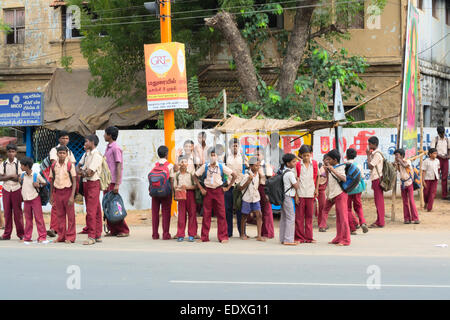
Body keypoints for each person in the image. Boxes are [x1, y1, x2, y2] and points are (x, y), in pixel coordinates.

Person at [194, 148, 236, 243]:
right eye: (211, 155)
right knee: (206, 214)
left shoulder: (221, 166)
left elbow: (234, 175)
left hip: (219, 191)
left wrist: (228, 187)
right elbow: (195, 176)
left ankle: (223, 237)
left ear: (217, 157)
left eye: (214, 155)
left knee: (221, 214)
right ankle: (204, 237)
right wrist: (201, 188)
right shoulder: (205, 166)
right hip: (208, 191)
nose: (213, 157)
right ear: (208, 156)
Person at [47, 131, 77, 238]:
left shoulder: (69, 152)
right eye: (63, 138)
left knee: (70, 214)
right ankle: (58, 232)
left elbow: (73, 164)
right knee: (58, 212)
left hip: (67, 187)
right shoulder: (54, 150)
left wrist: (72, 195)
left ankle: (70, 235)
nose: (65, 140)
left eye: (67, 138)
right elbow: (53, 164)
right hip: (57, 186)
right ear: (59, 139)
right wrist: (51, 194)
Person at [103, 126, 130, 237]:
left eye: (105, 134)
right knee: (108, 206)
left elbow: (119, 165)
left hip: (113, 181)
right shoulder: (108, 147)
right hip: (107, 181)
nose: (104, 135)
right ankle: (113, 230)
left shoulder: (115, 148)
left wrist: (117, 184)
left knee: (114, 206)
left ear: (109, 135)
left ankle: (123, 229)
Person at [77, 134, 103, 245]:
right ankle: (97, 234)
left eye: (86, 141)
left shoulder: (96, 155)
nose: (85, 144)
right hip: (87, 183)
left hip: (93, 183)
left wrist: (83, 171)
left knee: (91, 210)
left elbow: (89, 172)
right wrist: (83, 171)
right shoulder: (86, 154)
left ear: (92, 142)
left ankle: (92, 236)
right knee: (95, 209)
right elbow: (78, 167)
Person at [322, 149, 351, 246]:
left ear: (335, 160)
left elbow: (343, 178)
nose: (328, 161)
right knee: (339, 218)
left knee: (343, 217)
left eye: (329, 159)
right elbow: (330, 181)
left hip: (340, 194)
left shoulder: (340, 167)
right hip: (334, 194)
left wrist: (333, 170)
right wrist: (328, 170)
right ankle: (339, 237)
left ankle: (346, 239)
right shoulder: (332, 167)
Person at [19, 157, 49, 244]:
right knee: (28, 219)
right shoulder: (22, 175)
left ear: (27, 166)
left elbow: (45, 182)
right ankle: (27, 237)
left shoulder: (36, 175)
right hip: (26, 200)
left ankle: (42, 236)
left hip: (35, 199)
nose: (21, 167)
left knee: (39, 219)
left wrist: (38, 185)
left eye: (22, 165)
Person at [294, 145, 319, 244]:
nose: (306, 158)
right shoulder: (297, 165)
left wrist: (316, 189)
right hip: (300, 193)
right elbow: (295, 180)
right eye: (304, 156)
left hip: (310, 193)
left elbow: (318, 177)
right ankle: (299, 237)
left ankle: (309, 237)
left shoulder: (315, 164)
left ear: (311, 155)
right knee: (299, 217)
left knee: (309, 216)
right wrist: (296, 195)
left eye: (308, 155)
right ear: (301, 155)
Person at [150, 145, 174, 240]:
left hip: (154, 192)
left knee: (155, 213)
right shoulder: (170, 165)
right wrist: (172, 192)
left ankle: (155, 234)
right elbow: (171, 180)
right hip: (165, 192)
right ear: (167, 154)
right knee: (166, 212)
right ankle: (165, 234)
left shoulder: (154, 165)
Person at [0, 144, 24, 241]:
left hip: (16, 189)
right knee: (7, 213)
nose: (11, 153)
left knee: (18, 213)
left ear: (16, 153)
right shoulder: (3, 164)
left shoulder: (18, 163)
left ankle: (21, 234)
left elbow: (20, 179)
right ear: (7, 152)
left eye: (13, 151)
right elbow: (0, 178)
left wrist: (7, 176)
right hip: (6, 189)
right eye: (9, 151)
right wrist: (11, 176)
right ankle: (6, 234)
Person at [225, 138, 247, 237]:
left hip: (239, 186)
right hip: (229, 185)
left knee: (240, 209)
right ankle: (228, 232)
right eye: (233, 145)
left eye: (236, 145)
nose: (235, 147)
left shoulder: (242, 156)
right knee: (228, 209)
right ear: (230, 147)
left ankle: (242, 232)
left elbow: (247, 168)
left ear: (239, 146)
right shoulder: (225, 156)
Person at [239, 157, 264, 241]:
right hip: (247, 198)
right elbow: (241, 188)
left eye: (259, 166)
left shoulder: (258, 175)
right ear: (251, 166)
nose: (258, 167)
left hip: (255, 198)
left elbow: (257, 185)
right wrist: (248, 181)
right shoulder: (246, 175)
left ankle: (259, 235)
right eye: (256, 166)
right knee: (244, 216)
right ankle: (242, 234)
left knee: (259, 215)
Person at [174, 156, 197, 242]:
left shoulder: (191, 174)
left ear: (187, 164)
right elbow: (174, 186)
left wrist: (187, 187)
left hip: (190, 195)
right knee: (181, 216)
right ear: (179, 164)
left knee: (192, 214)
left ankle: (192, 234)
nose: (183, 164)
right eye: (181, 162)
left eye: (185, 162)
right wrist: (178, 188)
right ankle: (180, 234)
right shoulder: (177, 175)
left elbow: (195, 186)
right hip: (181, 196)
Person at [346, 148, 369, 234]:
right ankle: (362, 222)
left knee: (348, 208)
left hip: (348, 190)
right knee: (358, 207)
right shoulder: (358, 165)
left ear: (346, 155)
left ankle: (352, 228)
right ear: (355, 156)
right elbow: (362, 176)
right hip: (358, 188)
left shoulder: (345, 165)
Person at [394, 148, 420, 224]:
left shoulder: (407, 161)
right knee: (405, 202)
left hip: (409, 183)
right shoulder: (398, 163)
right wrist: (396, 164)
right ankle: (407, 218)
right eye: (395, 155)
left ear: (402, 155)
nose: (396, 156)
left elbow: (405, 165)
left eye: (397, 155)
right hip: (403, 184)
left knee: (411, 201)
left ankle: (415, 218)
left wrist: (399, 161)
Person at [279, 153, 300, 246]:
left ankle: (283, 238)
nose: (295, 163)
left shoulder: (283, 171)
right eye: (293, 161)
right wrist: (297, 180)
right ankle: (288, 239)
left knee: (284, 217)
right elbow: (297, 186)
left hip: (283, 196)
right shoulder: (290, 173)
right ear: (288, 163)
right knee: (291, 217)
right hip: (288, 196)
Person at [366, 136, 386, 228]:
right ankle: (379, 220)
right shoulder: (376, 154)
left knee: (379, 201)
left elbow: (370, 166)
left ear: (374, 144)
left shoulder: (377, 154)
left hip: (377, 178)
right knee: (378, 200)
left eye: (369, 144)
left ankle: (381, 221)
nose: (368, 145)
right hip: (376, 178)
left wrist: (367, 155)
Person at [255, 146, 274, 239]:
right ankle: (261, 232)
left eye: (258, 154)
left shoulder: (266, 165)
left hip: (265, 188)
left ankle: (268, 233)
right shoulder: (255, 165)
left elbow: (270, 179)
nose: (257, 156)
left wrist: (268, 193)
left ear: (263, 155)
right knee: (260, 211)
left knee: (267, 211)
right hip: (258, 189)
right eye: (255, 154)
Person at [430, 126, 449, 199]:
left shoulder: (447, 140)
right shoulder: (435, 139)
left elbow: (449, 149)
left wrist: (448, 156)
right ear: (438, 133)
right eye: (441, 133)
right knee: (435, 176)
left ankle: (444, 195)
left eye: (443, 133)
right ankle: (432, 194)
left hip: (445, 160)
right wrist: (440, 156)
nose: (442, 135)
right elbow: (432, 151)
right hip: (437, 159)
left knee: (445, 177)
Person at [317, 159, 329, 232]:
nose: (327, 161)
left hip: (322, 190)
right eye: (327, 159)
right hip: (316, 188)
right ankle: (322, 225)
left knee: (322, 207)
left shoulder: (330, 168)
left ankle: (321, 224)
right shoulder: (320, 166)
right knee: (323, 208)